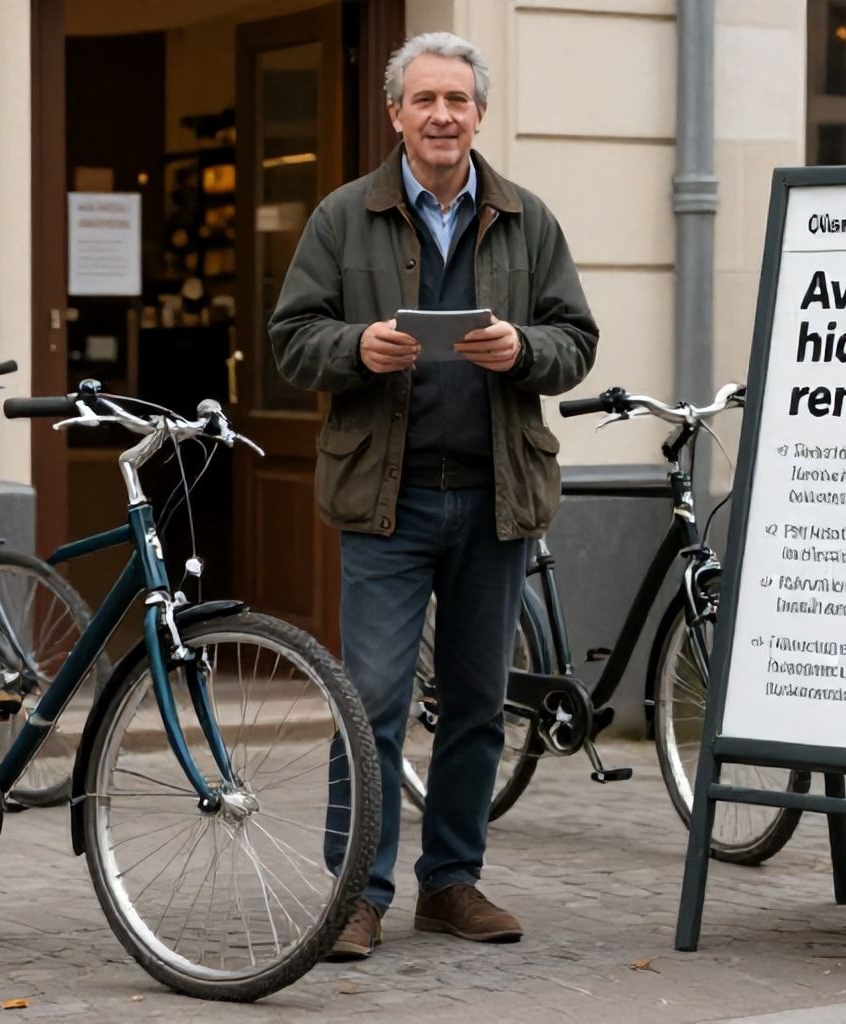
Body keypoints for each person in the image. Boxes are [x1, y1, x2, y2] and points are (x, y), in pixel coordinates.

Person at [267, 31, 598, 961]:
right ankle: (355, 897)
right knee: (369, 702)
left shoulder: (527, 219)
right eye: (426, 101)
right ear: (396, 116)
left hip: (496, 497)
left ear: (479, 114)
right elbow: (293, 337)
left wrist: (526, 352)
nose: (443, 116)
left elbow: (577, 338)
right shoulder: (343, 216)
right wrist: (356, 350)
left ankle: (450, 885)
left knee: (477, 704)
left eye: (458, 100)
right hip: (389, 501)